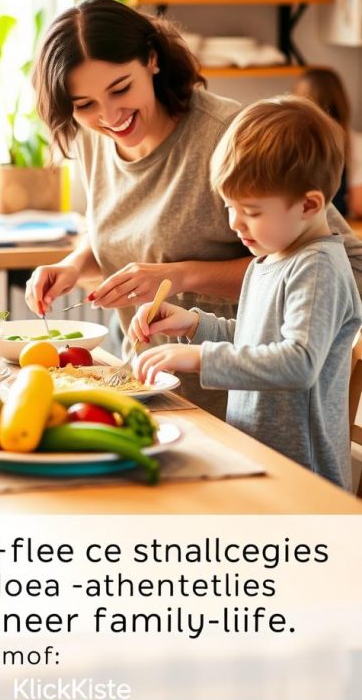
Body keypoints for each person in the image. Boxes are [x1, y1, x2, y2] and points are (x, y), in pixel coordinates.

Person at [25, 0, 362, 417]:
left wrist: (180, 276)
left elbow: (345, 265)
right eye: (84, 105)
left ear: (151, 59)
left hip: (239, 413)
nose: (109, 117)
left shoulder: (227, 136)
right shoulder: (97, 139)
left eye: (120, 89)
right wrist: (74, 266)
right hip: (149, 392)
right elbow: (125, 234)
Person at [129, 96, 362, 490]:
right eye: (228, 206)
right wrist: (194, 325)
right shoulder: (269, 259)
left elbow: (298, 362)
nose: (235, 223)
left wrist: (202, 357)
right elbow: (256, 339)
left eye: (250, 211)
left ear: (309, 204)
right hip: (258, 457)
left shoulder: (317, 267)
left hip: (301, 480)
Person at [293, 65, 362, 218]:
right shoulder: (354, 143)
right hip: (337, 227)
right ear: (342, 101)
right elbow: (358, 205)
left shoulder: (287, 141)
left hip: (293, 226)